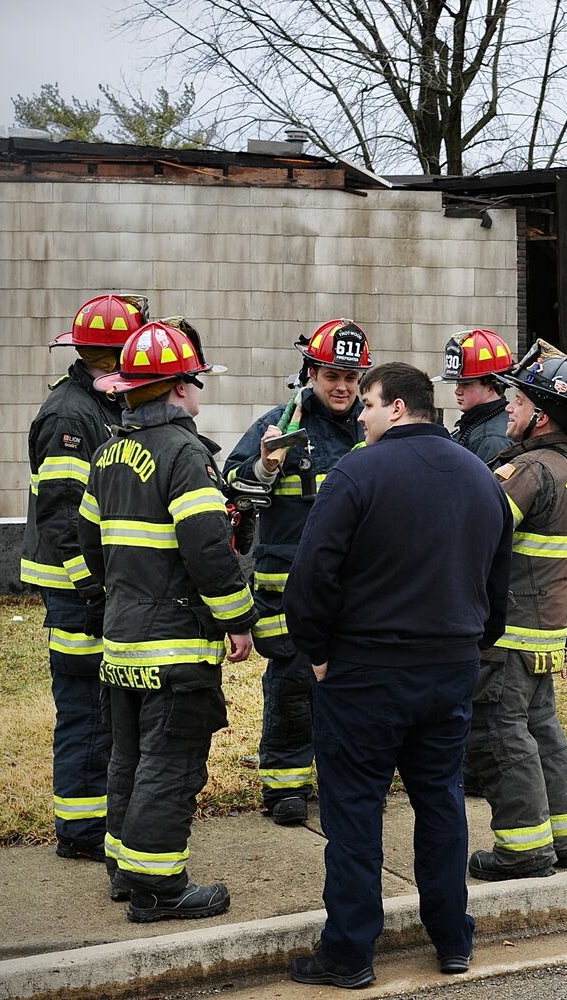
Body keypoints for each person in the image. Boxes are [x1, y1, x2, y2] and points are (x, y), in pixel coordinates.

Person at [283, 362, 512, 989]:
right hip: (450, 670)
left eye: (370, 404)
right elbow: (499, 578)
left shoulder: (356, 472)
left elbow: (312, 574)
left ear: (400, 408)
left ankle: (350, 953)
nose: (360, 413)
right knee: (441, 802)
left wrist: (316, 649)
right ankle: (452, 939)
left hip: (364, 673)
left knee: (355, 810)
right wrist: (470, 639)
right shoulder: (480, 477)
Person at [78, 319, 256, 922]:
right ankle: (159, 887)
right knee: (171, 761)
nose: (199, 391)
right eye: (195, 381)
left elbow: (86, 543)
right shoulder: (185, 454)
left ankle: (125, 871)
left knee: (127, 757)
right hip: (175, 646)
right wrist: (237, 618)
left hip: (123, 643)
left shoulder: (106, 455)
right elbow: (209, 548)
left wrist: (114, 608)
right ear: (179, 388)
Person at [223, 319, 371, 825]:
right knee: (290, 683)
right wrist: (265, 467)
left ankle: (342, 779)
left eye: (351, 377)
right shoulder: (280, 425)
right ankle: (285, 786)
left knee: (351, 685)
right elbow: (234, 488)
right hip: (285, 588)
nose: (342, 387)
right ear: (310, 372)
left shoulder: (371, 431)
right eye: (332, 374)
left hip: (354, 588)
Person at [21, 293, 148, 864]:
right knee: (86, 705)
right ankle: (79, 828)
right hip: (76, 590)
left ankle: (90, 819)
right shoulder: (72, 415)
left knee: (97, 704)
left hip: (91, 586)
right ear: (108, 357)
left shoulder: (94, 402)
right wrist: (91, 586)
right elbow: (62, 513)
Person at [466, 340, 567, 882]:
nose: (508, 411)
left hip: (510, 633)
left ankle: (523, 849)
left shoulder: (527, 470)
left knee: (503, 734)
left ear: (540, 414)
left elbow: (476, 535)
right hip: (545, 630)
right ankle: (563, 839)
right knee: (542, 728)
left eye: (515, 403)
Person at [431, 328, 514, 466]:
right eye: (458, 383)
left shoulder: (492, 440)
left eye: (467, 384)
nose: (457, 391)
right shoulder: (478, 423)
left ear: (491, 385)